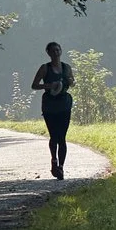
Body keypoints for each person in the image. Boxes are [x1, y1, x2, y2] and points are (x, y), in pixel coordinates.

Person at [31, 41, 75, 179]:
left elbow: (72, 82)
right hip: (50, 105)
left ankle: (60, 167)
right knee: (54, 136)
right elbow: (34, 85)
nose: (56, 53)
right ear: (48, 53)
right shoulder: (45, 68)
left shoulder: (66, 67)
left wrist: (71, 81)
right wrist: (49, 86)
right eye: (53, 51)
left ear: (61, 51)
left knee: (62, 137)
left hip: (64, 104)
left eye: (58, 50)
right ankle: (53, 160)